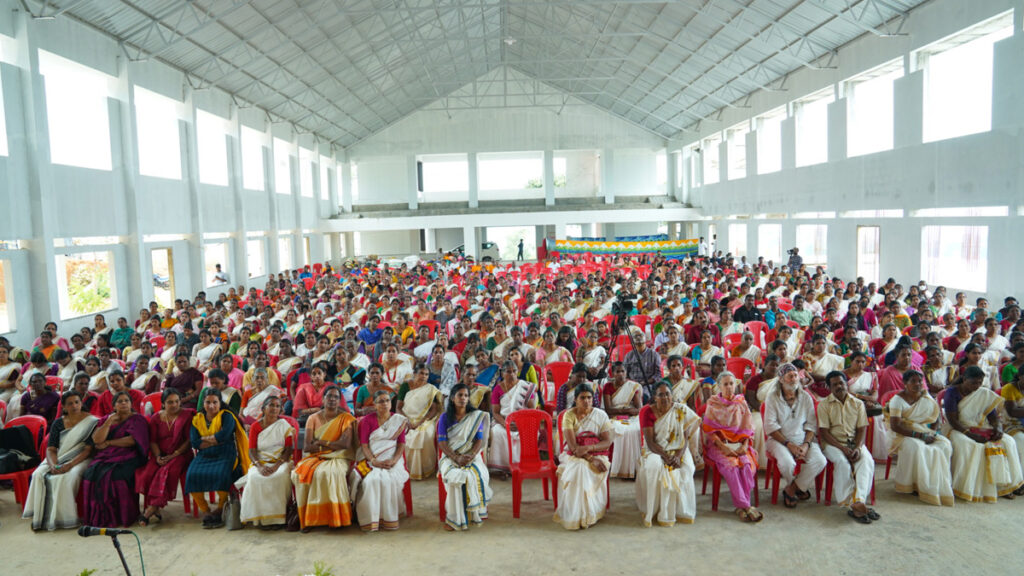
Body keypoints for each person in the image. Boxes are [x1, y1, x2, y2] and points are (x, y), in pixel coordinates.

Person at [942, 365, 1024, 501]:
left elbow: (992, 417)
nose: (977, 386)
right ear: (964, 379)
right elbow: (952, 420)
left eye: (980, 383)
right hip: (958, 428)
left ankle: (1004, 486)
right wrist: (970, 434)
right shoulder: (952, 392)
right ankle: (968, 487)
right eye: (973, 382)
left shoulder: (983, 393)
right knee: (970, 445)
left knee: (1008, 441)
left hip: (981, 426)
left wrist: (998, 428)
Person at [22, 390, 97, 531]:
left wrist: (69, 465)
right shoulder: (58, 423)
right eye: (70, 404)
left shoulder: (91, 422)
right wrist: (53, 465)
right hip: (59, 457)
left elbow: (88, 450)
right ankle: (41, 516)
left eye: (77, 402)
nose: (74, 406)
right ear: (63, 407)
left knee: (69, 477)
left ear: (81, 403)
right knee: (38, 474)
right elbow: (51, 449)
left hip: (81, 458)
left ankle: (63, 518)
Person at [292, 386, 358, 531]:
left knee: (329, 473)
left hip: (340, 458)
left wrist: (322, 443)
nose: (332, 400)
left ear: (340, 401)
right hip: (316, 457)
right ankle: (305, 517)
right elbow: (308, 447)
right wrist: (331, 446)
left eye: (336, 397)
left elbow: (345, 444)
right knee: (298, 474)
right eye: (329, 396)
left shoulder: (346, 419)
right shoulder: (313, 418)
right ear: (323, 399)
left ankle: (335, 517)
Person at [80, 391, 150, 527]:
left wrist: (109, 443)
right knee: (90, 474)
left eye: (126, 401)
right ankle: (98, 517)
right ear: (114, 406)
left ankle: (122, 516)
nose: (123, 403)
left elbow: (132, 440)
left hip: (130, 456)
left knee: (116, 476)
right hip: (106, 456)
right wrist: (108, 422)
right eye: (120, 401)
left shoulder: (138, 420)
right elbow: (97, 439)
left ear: (131, 404)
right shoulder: (106, 419)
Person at [885, 369, 954, 506]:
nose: (918, 384)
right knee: (917, 447)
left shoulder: (926, 397)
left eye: (920, 381)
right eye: (913, 381)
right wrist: (920, 436)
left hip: (922, 430)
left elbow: (935, 418)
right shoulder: (897, 400)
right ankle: (911, 484)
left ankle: (936, 482)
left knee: (945, 444)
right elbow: (896, 426)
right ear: (905, 383)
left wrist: (932, 433)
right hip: (900, 434)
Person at [702, 372, 762, 522]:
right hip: (719, 445)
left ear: (735, 385)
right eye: (725, 384)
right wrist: (724, 447)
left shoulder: (741, 402)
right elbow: (710, 431)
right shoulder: (713, 403)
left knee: (747, 465)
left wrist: (745, 445)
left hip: (741, 443)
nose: (729, 387)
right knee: (732, 467)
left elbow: (748, 428)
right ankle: (746, 506)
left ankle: (740, 508)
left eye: (731, 384)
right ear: (719, 387)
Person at [818, 371, 878, 523]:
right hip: (833, 443)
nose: (839, 386)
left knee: (867, 461)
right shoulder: (824, 405)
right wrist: (843, 449)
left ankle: (859, 501)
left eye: (841, 383)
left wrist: (857, 448)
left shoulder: (858, 404)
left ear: (846, 384)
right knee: (842, 463)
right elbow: (824, 433)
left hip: (854, 442)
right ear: (829, 387)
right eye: (835, 384)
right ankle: (851, 504)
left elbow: (861, 429)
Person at [185, 390, 251, 529]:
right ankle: (206, 511)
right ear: (203, 403)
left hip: (226, 453)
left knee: (221, 475)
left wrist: (207, 439)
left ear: (220, 403)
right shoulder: (197, 419)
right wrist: (214, 440)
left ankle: (220, 508)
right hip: (204, 455)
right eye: (208, 402)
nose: (211, 406)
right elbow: (195, 442)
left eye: (215, 402)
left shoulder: (227, 416)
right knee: (191, 475)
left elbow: (224, 436)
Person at [764, 363, 826, 509]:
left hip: (802, 438)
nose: (793, 379)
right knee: (787, 464)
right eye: (789, 376)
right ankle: (798, 488)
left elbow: (811, 425)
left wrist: (806, 445)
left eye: (795, 375)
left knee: (820, 460)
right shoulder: (772, 398)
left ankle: (791, 489)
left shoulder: (806, 397)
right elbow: (770, 427)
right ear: (781, 379)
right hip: (778, 440)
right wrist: (789, 444)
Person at [635, 381, 697, 527]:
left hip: (678, 449)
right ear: (654, 397)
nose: (665, 398)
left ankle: (681, 511)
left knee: (687, 467)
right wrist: (666, 456)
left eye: (667, 394)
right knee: (654, 467)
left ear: (672, 395)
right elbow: (650, 442)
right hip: (654, 450)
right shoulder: (647, 411)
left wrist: (678, 455)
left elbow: (685, 438)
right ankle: (653, 510)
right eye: (660, 395)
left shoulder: (680, 410)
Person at [554, 383, 613, 530]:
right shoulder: (569, 415)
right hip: (572, 454)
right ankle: (575, 515)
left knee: (582, 468)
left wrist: (590, 449)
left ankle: (591, 512)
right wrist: (591, 458)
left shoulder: (601, 415)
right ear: (575, 399)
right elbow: (574, 448)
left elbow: (607, 442)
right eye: (582, 398)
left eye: (589, 397)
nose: (586, 401)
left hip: (599, 453)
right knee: (579, 467)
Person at [135, 388, 194, 526]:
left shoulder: (186, 416)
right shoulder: (156, 418)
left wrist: (174, 454)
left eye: (177, 402)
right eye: (170, 402)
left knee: (167, 472)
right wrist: (158, 456)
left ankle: (151, 509)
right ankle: (155, 508)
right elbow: (153, 441)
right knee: (148, 473)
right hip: (160, 453)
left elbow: (188, 440)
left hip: (181, 454)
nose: (174, 405)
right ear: (163, 404)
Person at [437, 383, 492, 531]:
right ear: (453, 398)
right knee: (456, 476)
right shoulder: (444, 417)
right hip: (450, 456)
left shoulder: (474, 416)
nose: (463, 398)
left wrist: (472, 455)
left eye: (466, 395)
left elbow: (479, 440)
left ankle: (474, 513)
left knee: (477, 474)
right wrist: (455, 458)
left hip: (471, 455)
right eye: (460, 395)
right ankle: (455, 518)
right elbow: (442, 442)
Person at [352, 390, 409, 532]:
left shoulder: (398, 420)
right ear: (375, 405)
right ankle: (370, 519)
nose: (385, 404)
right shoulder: (367, 421)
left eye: (387, 401)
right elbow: (364, 445)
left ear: (391, 403)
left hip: (392, 458)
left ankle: (388, 518)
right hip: (372, 458)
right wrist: (373, 460)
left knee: (389, 480)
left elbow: (401, 444)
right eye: (381, 401)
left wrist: (394, 460)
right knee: (372, 481)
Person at [237, 395, 296, 529]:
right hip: (260, 461)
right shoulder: (255, 427)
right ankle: (262, 519)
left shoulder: (284, 425)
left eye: (277, 406)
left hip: (281, 461)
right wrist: (259, 466)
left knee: (279, 476)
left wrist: (276, 465)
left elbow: (288, 450)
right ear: (264, 408)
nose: (274, 408)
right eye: (271, 405)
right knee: (255, 477)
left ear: (281, 409)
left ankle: (279, 518)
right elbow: (251, 450)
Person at [487, 360, 537, 473]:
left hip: (523, 420)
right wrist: (506, 424)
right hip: (503, 420)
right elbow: (495, 412)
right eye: (508, 372)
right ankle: (502, 468)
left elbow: (531, 410)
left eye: (514, 371)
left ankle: (523, 465)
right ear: (502, 373)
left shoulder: (525, 387)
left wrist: (521, 423)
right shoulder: (497, 389)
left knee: (529, 431)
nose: (512, 374)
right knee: (497, 432)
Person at [396, 363, 443, 479]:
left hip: (424, 419)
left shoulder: (430, 389)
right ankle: (407, 469)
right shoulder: (405, 386)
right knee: (405, 434)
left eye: (426, 374)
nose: (423, 376)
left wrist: (421, 421)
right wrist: (407, 421)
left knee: (424, 433)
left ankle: (425, 468)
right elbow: (398, 408)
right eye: (421, 373)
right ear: (414, 374)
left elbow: (434, 409)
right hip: (406, 417)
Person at [602, 362, 642, 479]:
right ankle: (623, 468)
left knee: (636, 429)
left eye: (623, 371)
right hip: (614, 417)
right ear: (613, 374)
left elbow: (638, 408)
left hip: (631, 417)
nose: (620, 374)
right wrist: (625, 411)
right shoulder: (608, 387)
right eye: (617, 372)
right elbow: (609, 410)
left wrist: (629, 412)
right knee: (622, 430)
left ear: (626, 372)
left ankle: (634, 468)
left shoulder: (632, 386)